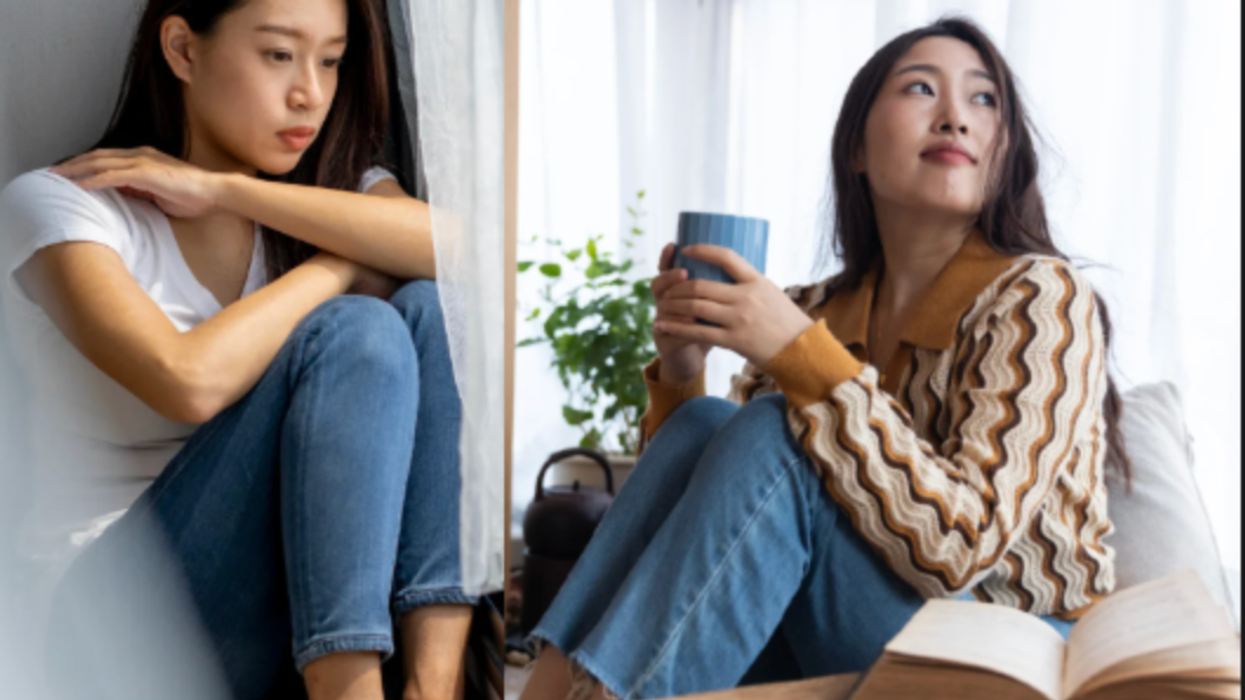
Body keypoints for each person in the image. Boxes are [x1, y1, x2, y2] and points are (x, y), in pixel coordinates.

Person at [520, 17, 1130, 700]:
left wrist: (800, 356)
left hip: (1007, 648)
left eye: (983, 100)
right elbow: (716, 532)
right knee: (706, 426)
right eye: (921, 89)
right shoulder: (813, 311)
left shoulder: (1038, 295)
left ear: (1005, 149)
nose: (956, 118)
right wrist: (684, 369)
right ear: (857, 150)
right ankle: (546, 686)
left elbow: (961, 550)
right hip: (844, 621)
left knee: (767, 423)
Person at [0, 1, 475, 699]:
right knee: (358, 330)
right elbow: (184, 378)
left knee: (437, 306)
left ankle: (433, 687)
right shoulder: (68, 203)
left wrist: (228, 191)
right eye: (279, 54)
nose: (309, 92)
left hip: (288, 599)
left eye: (331, 60)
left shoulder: (336, 193)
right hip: (110, 616)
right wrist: (337, 267)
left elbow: (464, 254)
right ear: (183, 50)